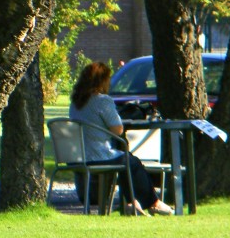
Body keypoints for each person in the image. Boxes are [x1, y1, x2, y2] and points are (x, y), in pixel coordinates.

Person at [69, 62, 173, 216]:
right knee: (132, 162)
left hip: (79, 155)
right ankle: (153, 203)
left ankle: (133, 203)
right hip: (98, 155)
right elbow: (117, 129)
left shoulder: (75, 103)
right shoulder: (102, 100)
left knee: (127, 160)